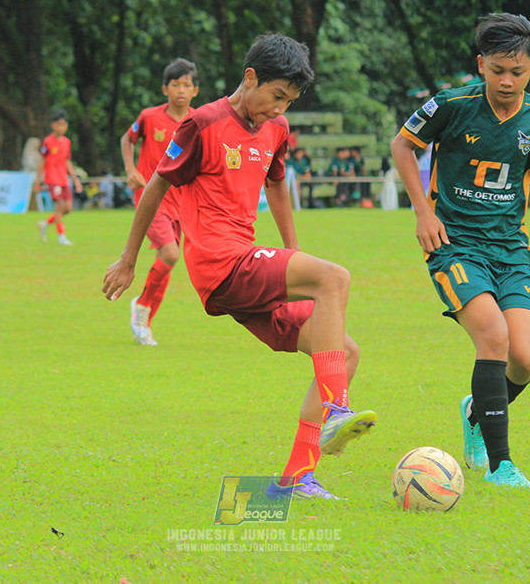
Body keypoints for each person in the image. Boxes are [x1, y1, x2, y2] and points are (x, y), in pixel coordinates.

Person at [103, 34, 377, 499]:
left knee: (345, 354)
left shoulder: (276, 130)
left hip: (246, 270)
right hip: (218, 264)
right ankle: (337, 409)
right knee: (336, 278)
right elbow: (156, 185)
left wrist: (294, 252)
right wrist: (129, 258)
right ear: (250, 77)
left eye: (288, 101)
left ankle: (296, 477)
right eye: (275, 97)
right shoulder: (201, 123)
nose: (279, 109)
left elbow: (276, 187)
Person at [390, 13, 530, 489]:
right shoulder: (452, 105)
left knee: (526, 359)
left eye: (516, 71)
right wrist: (422, 212)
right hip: (454, 245)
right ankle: (500, 465)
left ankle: (476, 410)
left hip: (511, 250)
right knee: (493, 337)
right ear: (481, 65)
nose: (506, 81)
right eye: (496, 71)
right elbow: (402, 146)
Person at [119, 58, 200, 346]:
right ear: (165, 88)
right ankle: (141, 306)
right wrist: (131, 170)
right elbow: (126, 140)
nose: (181, 90)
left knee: (165, 262)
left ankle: (144, 322)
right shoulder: (149, 117)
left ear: (195, 90)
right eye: (175, 84)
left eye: (186, 85)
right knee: (170, 255)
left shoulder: (198, 121)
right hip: (150, 199)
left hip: (183, 201)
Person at [36, 110, 83, 245]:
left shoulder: (67, 142)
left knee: (67, 208)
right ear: (53, 125)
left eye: (63, 125)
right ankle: (61, 236)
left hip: (63, 179)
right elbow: (42, 161)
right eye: (58, 125)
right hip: (52, 179)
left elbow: (67, 161)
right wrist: (38, 181)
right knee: (58, 207)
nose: (61, 128)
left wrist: (75, 178)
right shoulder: (48, 141)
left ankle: (45, 224)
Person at [285, 146, 313, 210]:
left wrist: (305, 177)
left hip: (303, 180)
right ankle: (299, 204)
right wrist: (303, 177)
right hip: (295, 180)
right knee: (297, 185)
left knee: (311, 185)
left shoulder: (304, 161)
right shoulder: (292, 162)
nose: (299, 155)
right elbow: (293, 175)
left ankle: (310, 203)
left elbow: (308, 175)